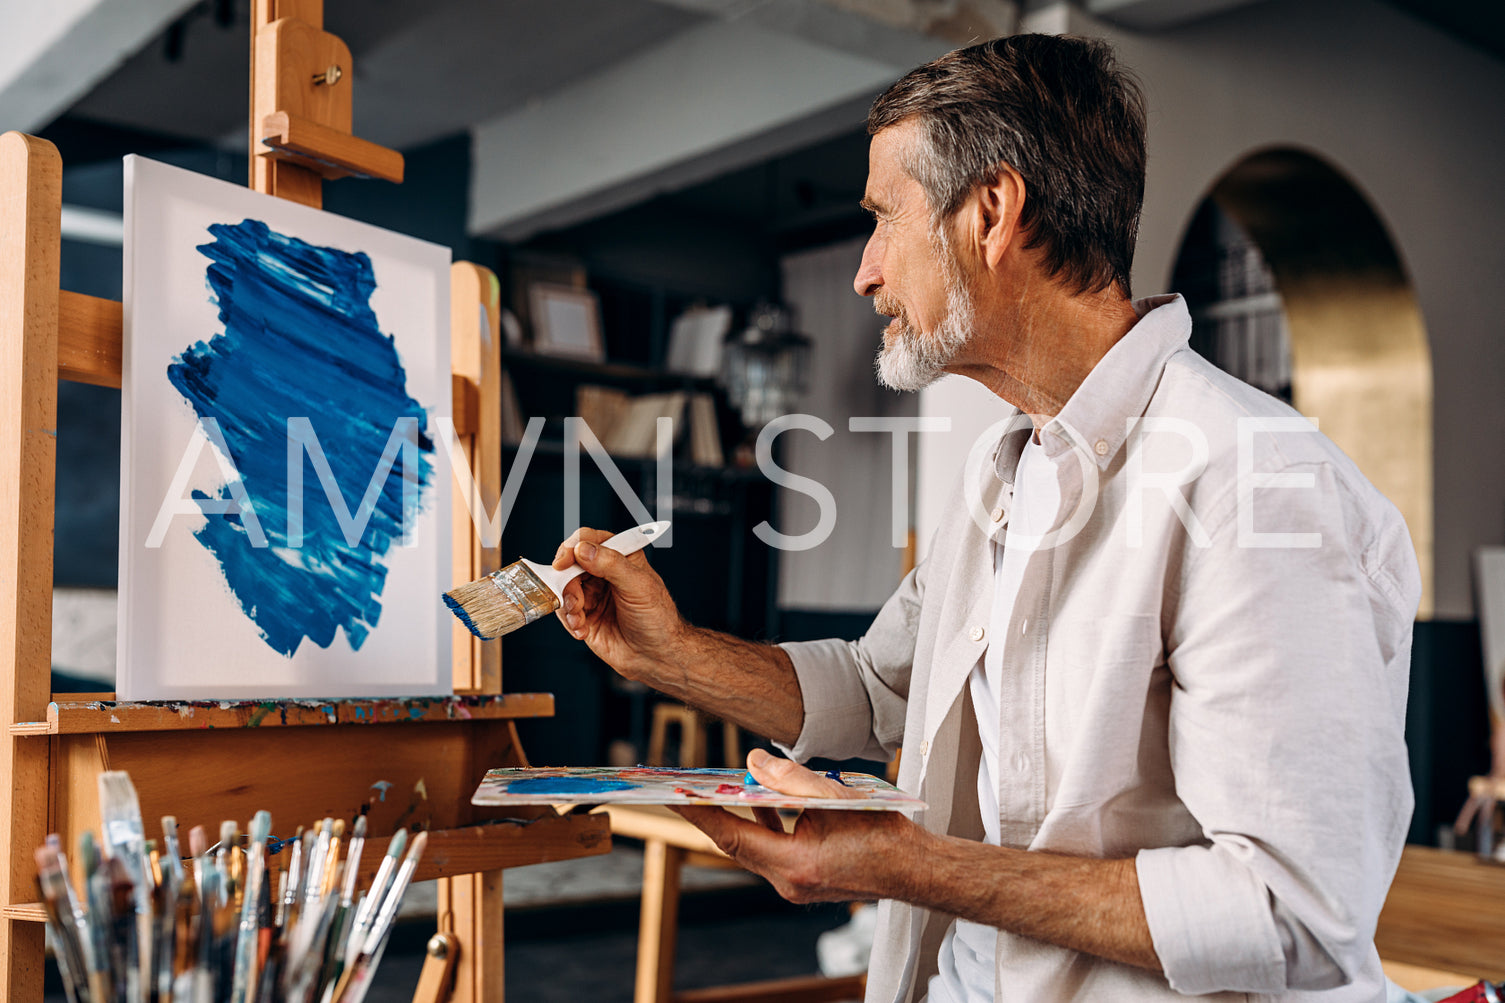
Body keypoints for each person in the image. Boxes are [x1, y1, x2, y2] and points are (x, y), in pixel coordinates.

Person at [550, 33, 1420, 1003]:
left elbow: (1290, 913)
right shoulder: (1003, 468)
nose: (864, 272)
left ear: (991, 213)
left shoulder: (1257, 481)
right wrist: (670, 654)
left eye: (883, 219)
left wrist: (903, 865)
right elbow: (881, 689)